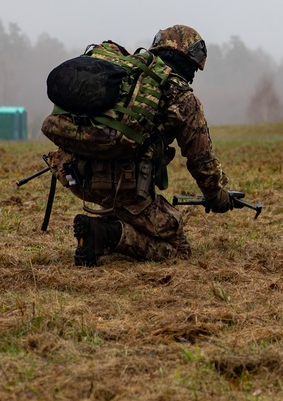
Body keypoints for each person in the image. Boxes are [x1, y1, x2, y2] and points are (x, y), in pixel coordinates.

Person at [44, 25, 234, 266]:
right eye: (194, 69)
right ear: (189, 63)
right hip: (120, 187)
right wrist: (217, 196)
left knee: (128, 207)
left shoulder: (126, 75)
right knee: (178, 249)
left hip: (73, 174)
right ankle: (107, 234)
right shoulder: (183, 98)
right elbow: (202, 161)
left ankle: (107, 226)